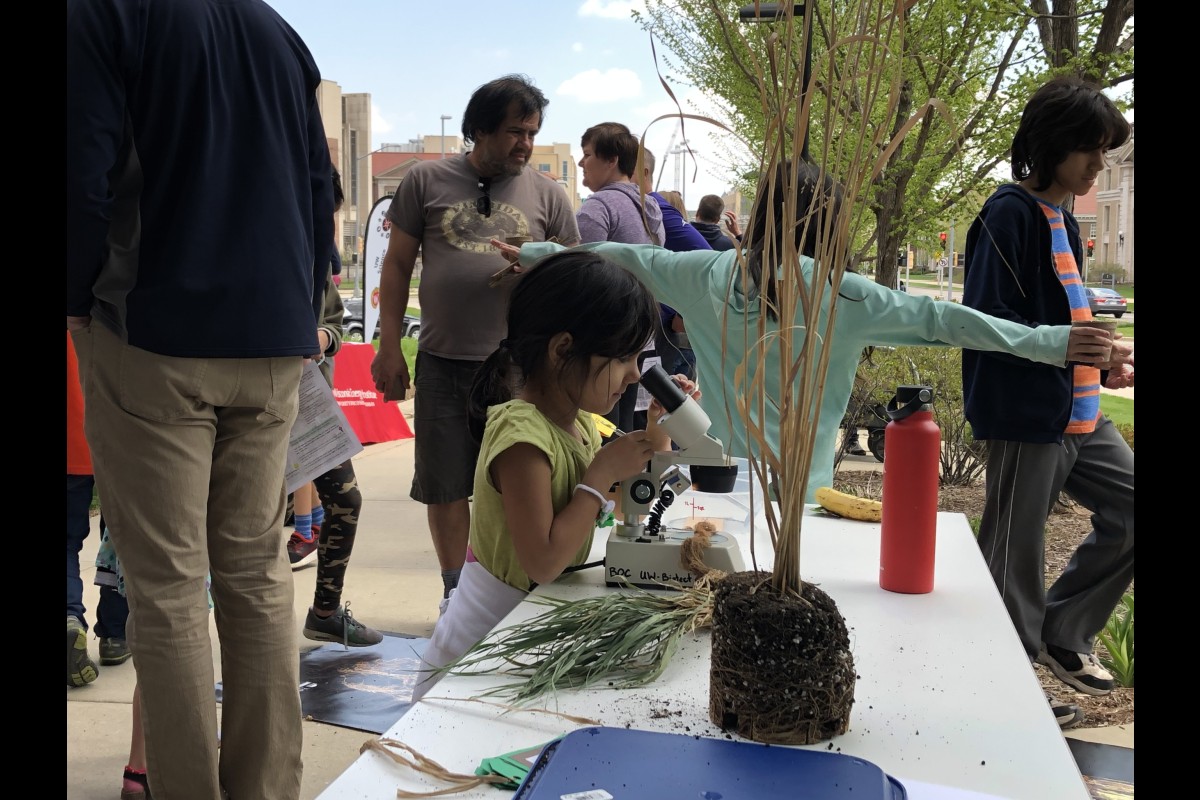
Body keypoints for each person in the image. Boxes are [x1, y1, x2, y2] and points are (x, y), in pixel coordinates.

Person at [492, 160, 1119, 508]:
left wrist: (535, 252)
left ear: (763, 214)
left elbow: (613, 257)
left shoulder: (706, 273)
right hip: (804, 501)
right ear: (830, 227)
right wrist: (1051, 343)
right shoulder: (847, 296)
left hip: (710, 489)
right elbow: (945, 322)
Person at [67, 1, 333, 797]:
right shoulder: (279, 33)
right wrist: (303, 309)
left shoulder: (104, 12)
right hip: (273, 338)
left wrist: (77, 297)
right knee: (255, 576)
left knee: (171, 586)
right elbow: (321, 190)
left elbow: (81, 172)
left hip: (154, 329)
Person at [410, 250, 672, 702]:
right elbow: (543, 561)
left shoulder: (582, 423)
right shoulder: (522, 438)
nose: (634, 375)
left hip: (524, 631)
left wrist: (657, 435)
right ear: (563, 349)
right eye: (624, 357)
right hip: (476, 654)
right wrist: (599, 476)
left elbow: (632, 509)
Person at [370, 74, 580, 613]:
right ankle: (454, 591)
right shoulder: (425, 179)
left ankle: (507, 587)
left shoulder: (548, 194)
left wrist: (538, 263)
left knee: (520, 483)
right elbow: (395, 266)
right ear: (479, 129)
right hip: (442, 361)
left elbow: (577, 273)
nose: (526, 144)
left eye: (532, 132)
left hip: (521, 372)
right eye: (515, 131)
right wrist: (388, 345)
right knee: (443, 485)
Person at [960, 76, 1134, 721]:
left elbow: (1061, 321)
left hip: (1078, 412)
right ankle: (1003, 695)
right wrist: (1068, 348)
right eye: (1090, 150)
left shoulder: (1061, 215)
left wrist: (1101, 358)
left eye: (1105, 152)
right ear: (1053, 144)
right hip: (1027, 415)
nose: (1098, 164)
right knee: (1011, 557)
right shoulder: (1007, 213)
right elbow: (985, 322)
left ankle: (1061, 633)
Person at [292, 166, 383, 646]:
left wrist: (324, 337)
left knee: (345, 501)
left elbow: (335, 323)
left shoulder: (312, 260)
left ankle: (325, 611)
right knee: (248, 522)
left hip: (308, 408)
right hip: (250, 407)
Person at [575, 121, 666, 434]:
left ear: (611, 159)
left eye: (587, 154)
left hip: (605, 344)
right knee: (631, 433)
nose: (581, 163)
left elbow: (582, 276)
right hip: (644, 340)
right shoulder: (649, 208)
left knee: (600, 435)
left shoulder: (598, 207)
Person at [67, 332, 130, 688]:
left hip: (69, 438)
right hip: (116, 435)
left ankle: (69, 616)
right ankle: (116, 634)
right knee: (120, 535)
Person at [637, 151, 712, 381]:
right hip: (659, 329)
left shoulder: (655, 207)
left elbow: (709, 261)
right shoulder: (641, 205)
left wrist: (684, 314)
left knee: (667, 401)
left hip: (668, 332)